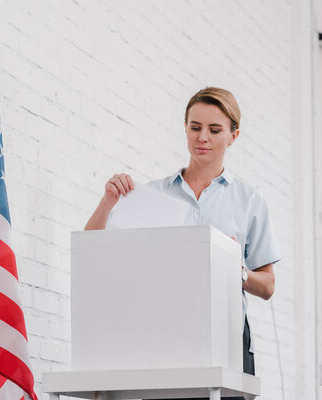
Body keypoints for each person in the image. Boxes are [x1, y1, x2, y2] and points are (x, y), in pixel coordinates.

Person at [85, 87, 282, 399]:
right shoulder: (152, 195)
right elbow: (93, 253)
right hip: (164, 336)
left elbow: (268, 286)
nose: (202, 137)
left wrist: (236, 270)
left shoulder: (249, 200)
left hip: (228, 338)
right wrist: (108, 202)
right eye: (195, 127)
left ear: (233, 136)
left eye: (214, 129)